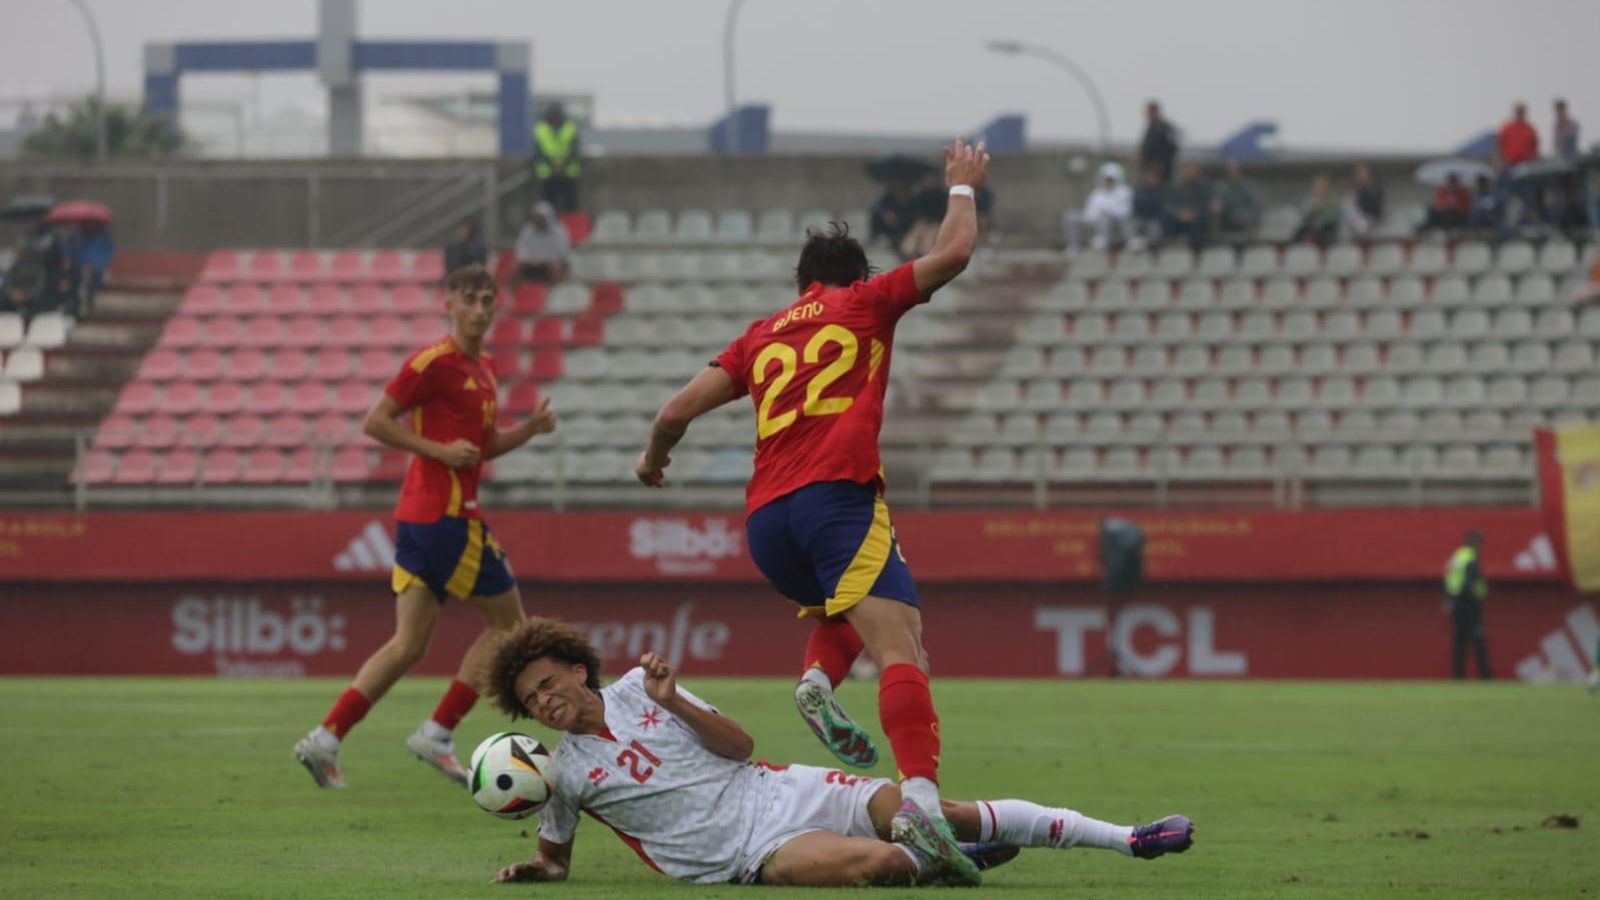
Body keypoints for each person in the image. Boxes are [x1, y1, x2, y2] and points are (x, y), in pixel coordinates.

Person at [633, 138, 990, 838]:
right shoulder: (865, 303)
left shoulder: (759, 337)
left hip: (768, 523)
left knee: (846, 602)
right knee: (903, 648)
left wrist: (653, 461)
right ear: (854, 277)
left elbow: (673, 412)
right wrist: (962, 188)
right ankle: (920, 802)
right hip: (838, 499)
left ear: (801, 283)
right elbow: (953, 254)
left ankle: (819, 682)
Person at [483, 618, 1196, 887]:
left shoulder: (647, 687)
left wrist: (674, 702)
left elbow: (741, 746)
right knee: (885, 861)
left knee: (930, 809)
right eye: (532, 700)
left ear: (578, 670)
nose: (546, 702)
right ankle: (947, 860)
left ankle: (1129, 839)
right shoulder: (563, 773)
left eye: (549, 684)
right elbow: (556, 857)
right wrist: (536, 869)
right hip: (743, 856)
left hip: (775, 789)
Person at [293, 264, 559, 790]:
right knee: (511, 628)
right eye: (470, 299)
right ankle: (438, 732)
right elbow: (376, 421)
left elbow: (479, 449)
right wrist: (437, 450)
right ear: (449, 304)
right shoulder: (433, 363)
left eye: (488, 299)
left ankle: (326, 739)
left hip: (420, 519)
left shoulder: (484, 366)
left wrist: (528, 430)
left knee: (409, 644)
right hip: (447, 518)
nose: (481, 308)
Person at [1442, 530, 1491, 680]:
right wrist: (1481, 595)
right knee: (1478, 640)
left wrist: (1448, 599)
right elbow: (1471, 583)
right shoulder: (1470, 559)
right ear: (1473, 543)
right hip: (1468, 604)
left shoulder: (1456, 557)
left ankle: (1458, 674)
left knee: (1459, 641)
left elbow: (1448, 578)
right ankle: (1485, 675)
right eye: (1479, 543)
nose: (1481, 547)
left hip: (1455, 603)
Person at [1064, 161, 1133, 257]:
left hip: (1113, 224)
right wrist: (1093, 217)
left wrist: (1107, 210)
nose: (1108, 181)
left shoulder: (1124, 192)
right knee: (1071, 216)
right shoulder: (1097, 193)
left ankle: (1102, 240)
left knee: (1104, 216)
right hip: (1093, 221)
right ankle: (1074, 246)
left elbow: (1125, 212)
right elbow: (1089, 211)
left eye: (1110, 179)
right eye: (1106, 179)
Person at [533, 102, 581, 214]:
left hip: (568, 174)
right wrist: (553, 164)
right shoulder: (541, 129)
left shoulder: (570, 128)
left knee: (571, 206)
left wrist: (562, 165)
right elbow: (538, 152)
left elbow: (574, 150)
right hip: (547, 175)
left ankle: (571, 228)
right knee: (547, 207)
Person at [513, 201, 570, 285]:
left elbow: (562, 254)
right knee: (516, 267)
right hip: (531, 264)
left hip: (550, 264)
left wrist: (545, 261)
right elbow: (521, 252)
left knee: (556, 266)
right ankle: (518, 293)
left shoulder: (559, 232)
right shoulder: (527, 231)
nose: (539, 220)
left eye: (542, 218)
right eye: (537, 217)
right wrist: (531, 260)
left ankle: (554, 291)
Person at [65, 220, 114, 318]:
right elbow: (70, 250)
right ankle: (76, 305)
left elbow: (108, 251)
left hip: (97, 263)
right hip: (80, 263)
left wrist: (100, 261)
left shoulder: (103, 235)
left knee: (96, 273)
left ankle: (91, 297)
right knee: (74, 275)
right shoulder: (77, 235)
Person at [1163, 162, 1211, 251]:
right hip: (1177, 215)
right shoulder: (1175, 186)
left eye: (1194, 171)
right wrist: (1179, 213)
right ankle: (1168, 243)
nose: (1191, 173)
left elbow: (1203, 204)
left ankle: (1196, 247)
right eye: (1189, 170)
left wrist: (1192, 213)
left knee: (1199, 221)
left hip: (1194, 215)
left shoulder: (1201, 187)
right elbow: (1169, 203)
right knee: (1166, 218)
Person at [1210, 162, 1263, 241]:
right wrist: (1218, 206)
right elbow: (1216, 200)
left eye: (1235, 171)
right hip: (1226, 215)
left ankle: (1246, 240)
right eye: (1231, 171)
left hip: (1243, 215)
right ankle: (1216, 240)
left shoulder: (1248, 186)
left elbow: (1255, 204)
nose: (1233, 174)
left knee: (1243, 217)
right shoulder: (1221, 186)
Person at [1292, 174, 1341, 247]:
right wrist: (1315, 207)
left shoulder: (1333, 202)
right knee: (1300, 232)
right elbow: (1304, 216)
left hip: (1326, 229)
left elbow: (1334, 217)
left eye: (1323, 186)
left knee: (1326, 233)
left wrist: (1320, 223)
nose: (1321, 189)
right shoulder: (1309, 201)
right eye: (1318, 186)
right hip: (1310, 228)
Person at [1340, 164, 1384, 242]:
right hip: (1359, 218)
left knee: (1350, 211)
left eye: (1364, 175)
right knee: (1346, 211)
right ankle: (1346, 240)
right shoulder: (1357, 189)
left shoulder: (1374, 188)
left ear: (1369, 176)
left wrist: (1358, 198)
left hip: (1371, 217)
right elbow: (1350, 204)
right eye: (1359, 176)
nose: (1362, 178)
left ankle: (1358, 228)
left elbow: (1373, 207)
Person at [1139, 101, 1180, 183]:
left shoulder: (1164, 128)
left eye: (1149, 112)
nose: (1147, 115)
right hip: (1149, 169)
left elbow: (1172, 148)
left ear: (1156, 111)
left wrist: (1160, 165)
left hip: (1161, 172)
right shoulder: (1151, 127)